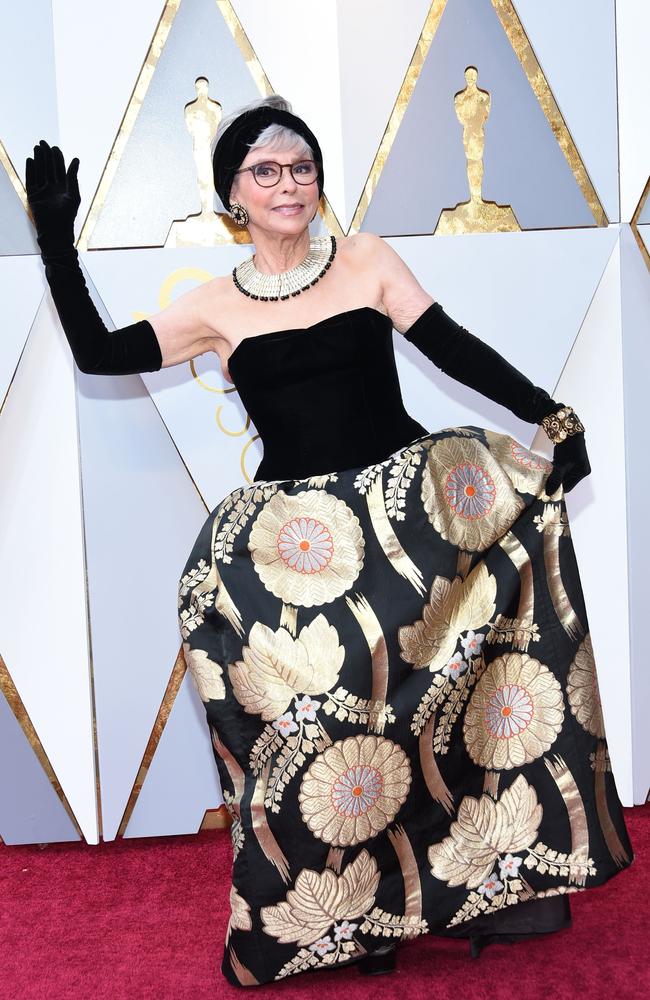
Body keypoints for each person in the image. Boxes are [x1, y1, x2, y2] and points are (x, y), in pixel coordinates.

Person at [26, 94, 633, 989]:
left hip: (407, 521)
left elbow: (453, 347)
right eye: (266, 172)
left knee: (446, 708)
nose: (289, 184)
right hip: (302, 549)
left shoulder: (367, 262)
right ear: (233, 193)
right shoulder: (213, 306)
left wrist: (547, 413)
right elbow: (97, 355)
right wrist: (56, 243)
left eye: (302, 168)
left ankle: (487, 888)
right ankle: (352, 914)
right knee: (328, 739)